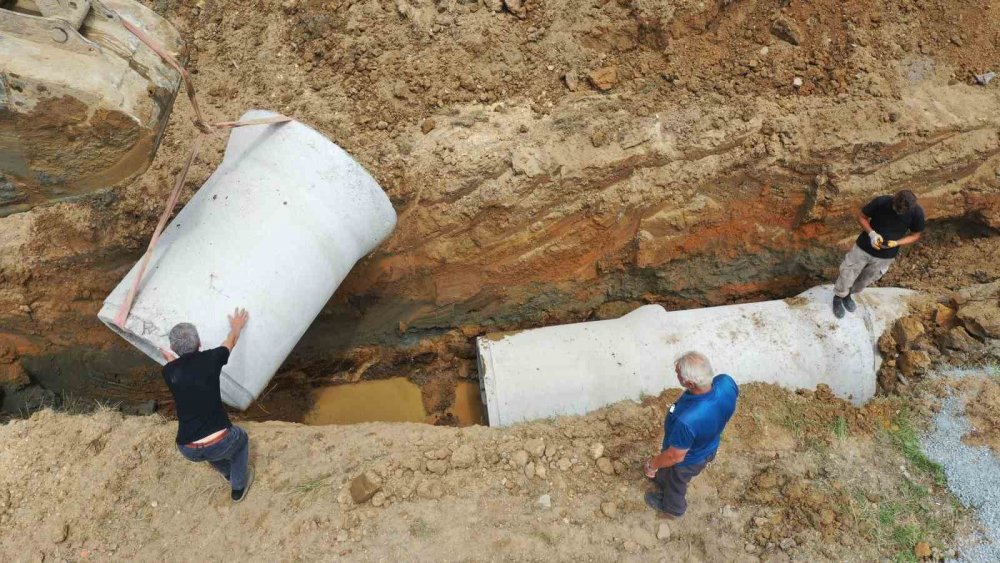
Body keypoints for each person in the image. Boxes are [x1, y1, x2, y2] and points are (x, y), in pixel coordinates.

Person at [161, 308, 254, 502]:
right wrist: (236, 327)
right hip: (221, 441)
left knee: (210, 452)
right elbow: (230, 342)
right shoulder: (211, 359)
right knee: (241, 440)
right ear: (200, 343)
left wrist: (169, 358)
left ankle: (228, 473)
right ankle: (238, 487)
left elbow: (173, 365)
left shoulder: (169, 373)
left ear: (173, 348)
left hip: (187, 448)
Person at [644, 351, 738, 519]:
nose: (675, 372)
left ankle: (673, 509)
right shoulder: (726, 383)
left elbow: (675, 457)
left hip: (689, 460)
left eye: (678, 373)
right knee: (670, 473)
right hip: (709, 445)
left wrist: (653, 465)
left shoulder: (688, 420)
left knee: (676, 483)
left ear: (689, 383)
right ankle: (662, 478)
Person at [832, 190, 925, 318]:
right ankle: (838, 296)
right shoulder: (882, 202)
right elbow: (861, 217)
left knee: (866, 279)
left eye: (902, 211)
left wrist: (896, 243)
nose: (898, 212)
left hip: (885, 256)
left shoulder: (916, 212)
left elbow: (915, 235)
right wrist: (872, 234)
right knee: (849, 271)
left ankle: (848, 295)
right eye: (897, 209)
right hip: (864, 246)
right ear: (894, 199)